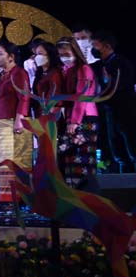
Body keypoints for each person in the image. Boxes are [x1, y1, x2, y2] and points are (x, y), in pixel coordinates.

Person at [91, 30, 136, 173]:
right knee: (117, 151)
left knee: (132, 146)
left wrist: (108, 82)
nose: (93, 49)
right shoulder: (98, 65)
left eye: (95, 45)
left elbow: (126, 85)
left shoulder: (122, 63)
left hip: (126, 111)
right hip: (110, 112)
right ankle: (124, 180)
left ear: (107, 46)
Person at [0, 42, 32, 203]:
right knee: (4, 162)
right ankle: (7, 199)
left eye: (0, 54)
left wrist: (19, 119)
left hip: (15, 122)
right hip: (1, 121)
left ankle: (22, 199)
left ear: (11, 57)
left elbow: (24, 97)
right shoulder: (2, 75)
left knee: (19, 161)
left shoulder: (19, 73)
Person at [56, 37, 98, 188]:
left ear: (75, 52)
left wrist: (74, 121)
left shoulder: (84, 69)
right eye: (61, 55)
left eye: (66, 54)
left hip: (84, 118)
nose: (64, 58)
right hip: (71, 118)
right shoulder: (68, 70)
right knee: (69, 158)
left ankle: (87, 195)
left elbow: (82, 97)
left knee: (82, 159)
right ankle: (72, 194)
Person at [31, 41, 64, 117]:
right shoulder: (40, 73)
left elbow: (54, 96)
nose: (37, 57)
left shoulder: (55, 73)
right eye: (36, 54)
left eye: (40, 54)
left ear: (50, 54)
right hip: (39, 113)